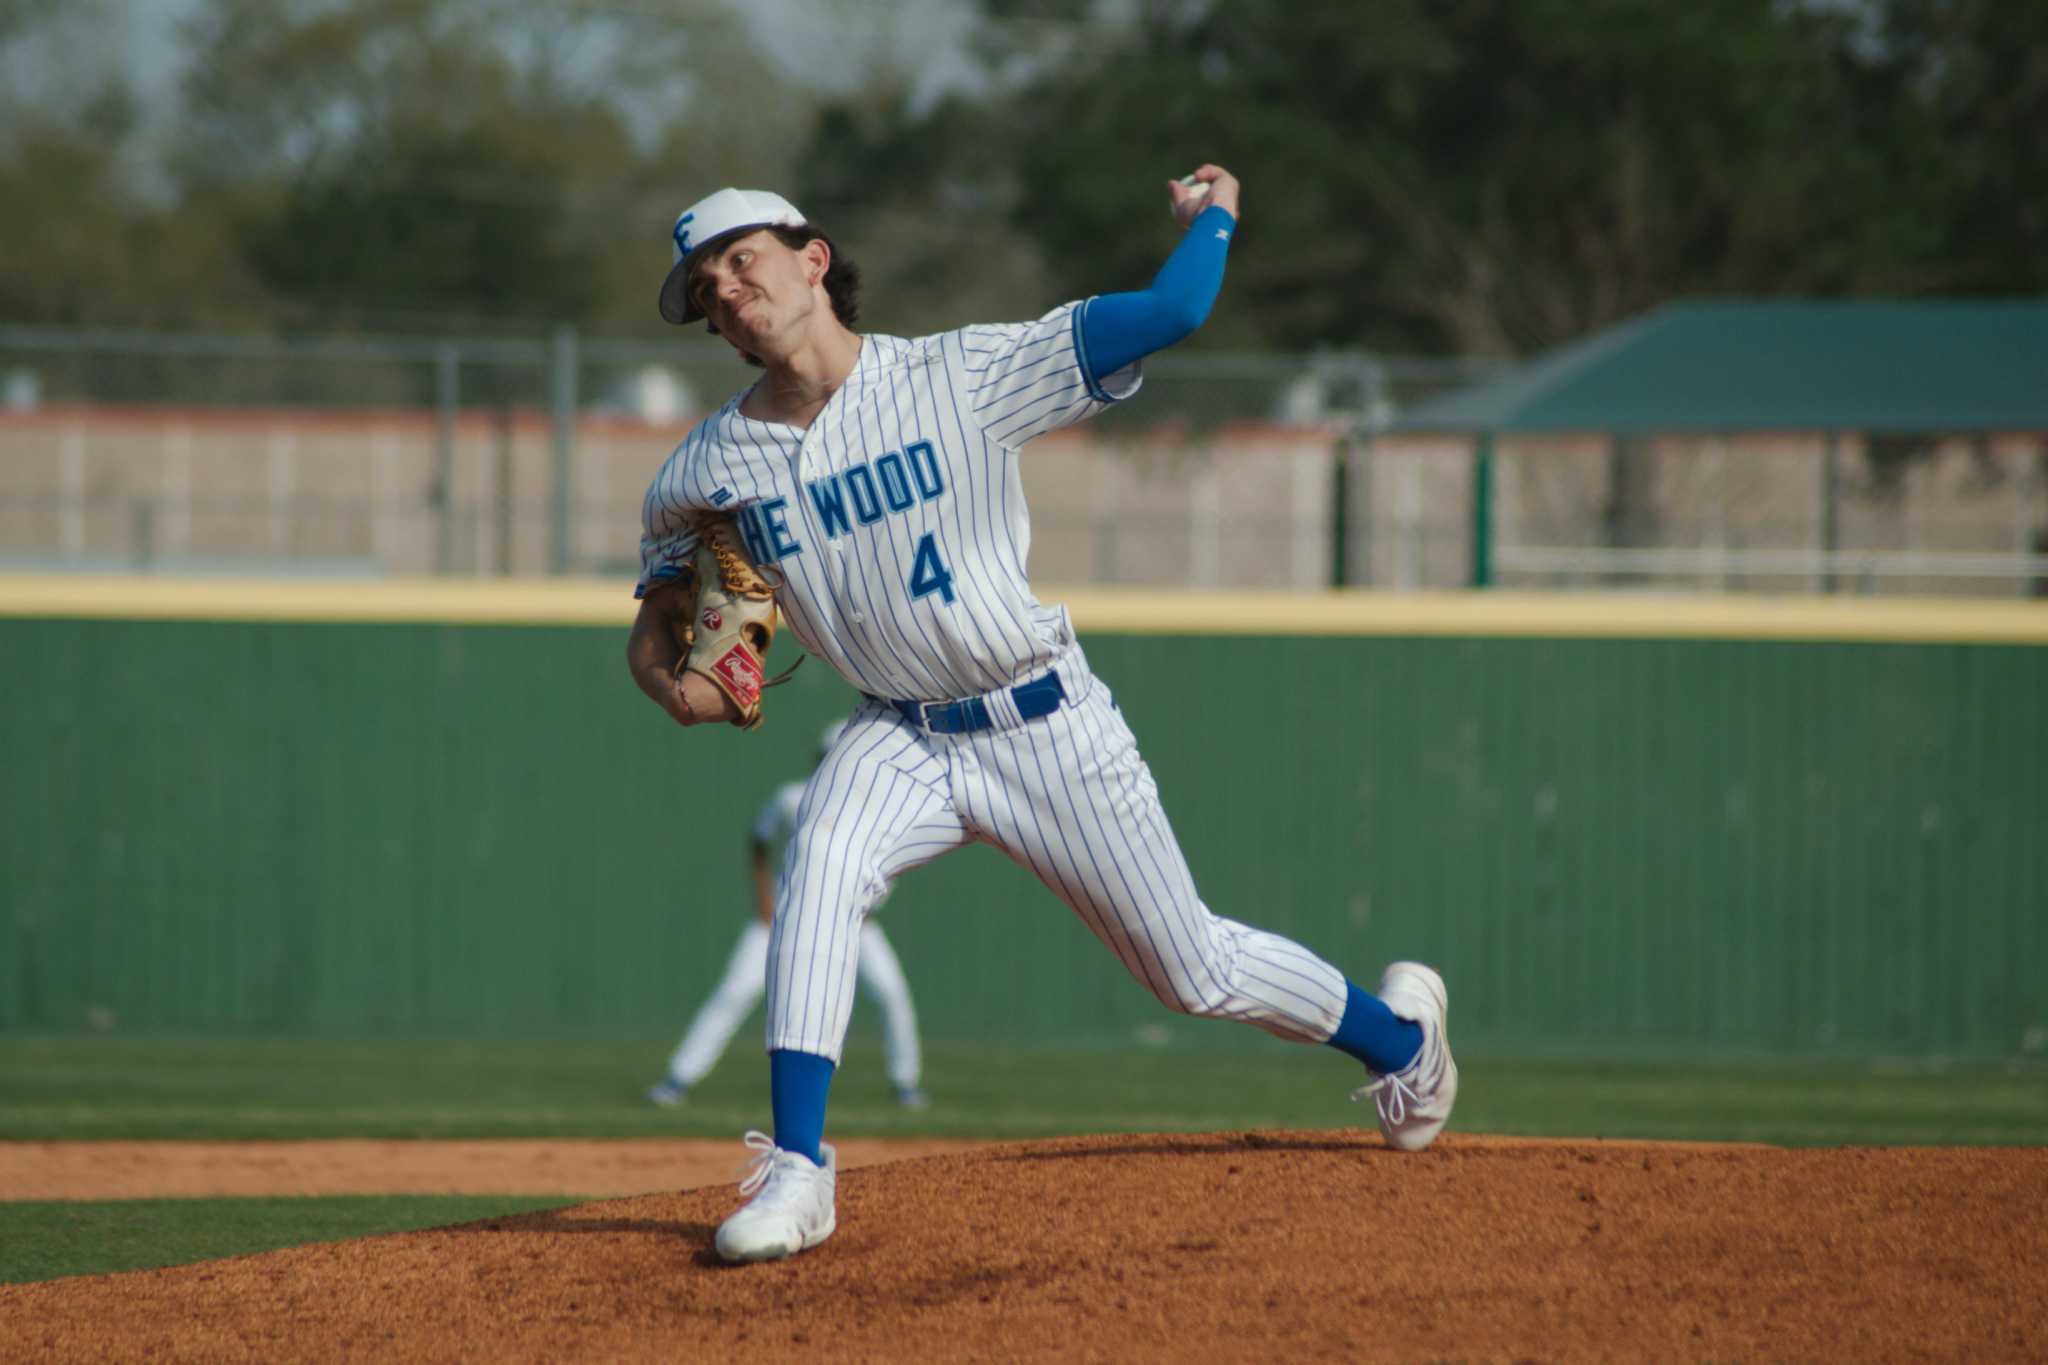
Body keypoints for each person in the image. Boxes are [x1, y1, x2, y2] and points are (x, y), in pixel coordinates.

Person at [624, 167, 1458, 1265]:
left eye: (742, 262)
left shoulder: (962, 373)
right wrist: (669, 678)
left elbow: (1173, 313)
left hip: (1040, 718)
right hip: (897, 733)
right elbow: (664, 612)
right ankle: (799, 1171)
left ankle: (1401, 1045)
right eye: (705, 288)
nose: (727, 292)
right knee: (820, 860)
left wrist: (1214, 216)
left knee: (1190, 968)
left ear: (812, 259)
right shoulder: (705, 469)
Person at [646, 722, 929, 1111]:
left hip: (857, 924)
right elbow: (759, 840)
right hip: (785, 914)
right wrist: (763, 897)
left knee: (891, 993)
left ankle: (905, 1084)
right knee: (736, 991)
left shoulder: (876, 809)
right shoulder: (794, 798)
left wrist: (871, 907)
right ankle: (678, 1078)